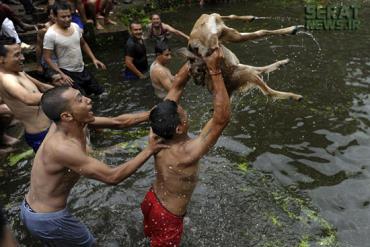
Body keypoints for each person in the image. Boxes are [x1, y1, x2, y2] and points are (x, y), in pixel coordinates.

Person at [20, 85, 168, 246]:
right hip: (48, 219)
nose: (88, 99)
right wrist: (149, 149)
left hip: (32, 209)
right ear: (67, 116)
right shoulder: (63, 148)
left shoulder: (70, 123)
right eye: (80, 99)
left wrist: (150, 114)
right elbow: (112, 177)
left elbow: (118, 122)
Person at [142, 47, 231, 246]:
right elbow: (221, 119)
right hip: (168, 216)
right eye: (183, 114)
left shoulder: (156, 130)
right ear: (181, 128)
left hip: (151, 200)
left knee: (149, 237)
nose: (183, 110)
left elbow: (176, 87)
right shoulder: (188, 153)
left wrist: (195, 58)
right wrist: (215, 71)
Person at [0, 37, 53, 152]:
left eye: (21, 54)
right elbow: (28, 99)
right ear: (1, 59)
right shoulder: (7, 79)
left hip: (52, 125)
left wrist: (67, 90)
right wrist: (61, 96)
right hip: (41, 134)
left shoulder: (18, 71)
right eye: (17, 55)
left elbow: (42, 86)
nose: (23, 58)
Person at [43, 1, 106, 96]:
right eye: (63, 17)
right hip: (67, 73)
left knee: (100, 93)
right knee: (81, 99)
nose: (67, 19)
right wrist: (62, 74)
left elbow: (83, 43)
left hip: (81, 68)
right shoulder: (50, 35)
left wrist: (94, 59)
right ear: (55, 17)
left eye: (69, 16)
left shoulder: (76, 27)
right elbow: (47, 58)